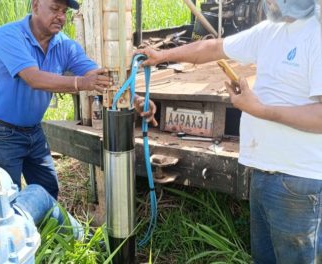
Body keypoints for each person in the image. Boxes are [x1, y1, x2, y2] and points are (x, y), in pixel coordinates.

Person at [137, 0, 322, 263]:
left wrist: (258, 109)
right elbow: (212, 48)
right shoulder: (270, 30)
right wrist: (163, 56)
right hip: (263, 173)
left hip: (298, 179)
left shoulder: (317, 34)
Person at [0, 0, 112, 200]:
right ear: (35, 6)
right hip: (1, 131)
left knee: (48, 192)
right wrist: (82, 83)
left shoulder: (65, 45)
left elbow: (97, 73)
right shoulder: (8, 35)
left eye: (64, 11)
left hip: (34, 131)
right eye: (54, 9)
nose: (60, 16)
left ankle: (41, 230)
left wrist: (133, 97)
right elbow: (34, 78)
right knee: (4, 197)